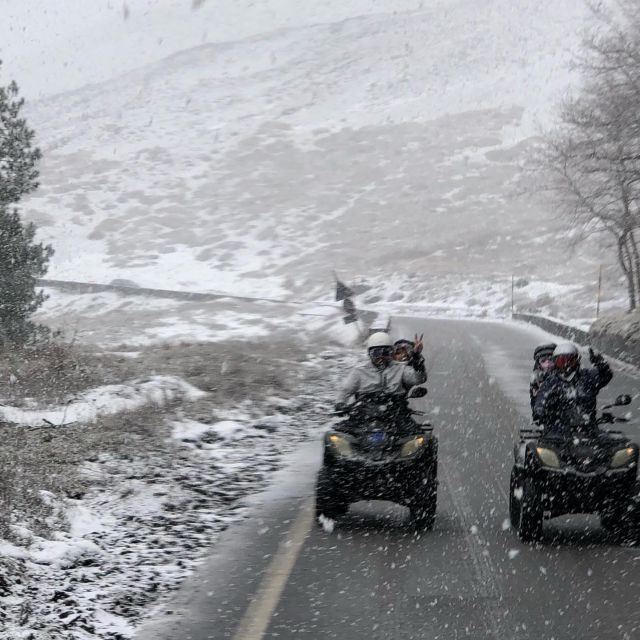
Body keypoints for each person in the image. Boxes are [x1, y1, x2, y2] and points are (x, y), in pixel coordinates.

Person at [533, 342, 613, 434]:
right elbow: (541, 399)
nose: (566, 365)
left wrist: (601, 364)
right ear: (555, 363)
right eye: (561, 361)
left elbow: (606, 376)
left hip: (589, 431)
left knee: (626, 447)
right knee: (537, 448)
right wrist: (540, 411)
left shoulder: (587, 377)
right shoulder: (550, 382)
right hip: (557, 433)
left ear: (577, 360)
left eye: (570, 361)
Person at [336, 332, 427, 410]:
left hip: (396, 415)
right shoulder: (359, 371)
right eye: (376, 353)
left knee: (417, 430)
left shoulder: (401, 369)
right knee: (340, 429)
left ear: (392, 353)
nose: (381, 356)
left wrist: (417, 359)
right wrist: (340, 404)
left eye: (386, 352)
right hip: (363, 415)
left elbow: (418, 379)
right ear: (369, 354)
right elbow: (345, 390)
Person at [529, 343, 556, 417]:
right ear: (538, 363)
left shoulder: (563, 372)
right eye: (543, 361)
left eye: (550, 359)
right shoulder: (536, 377)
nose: (547, 364)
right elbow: (534, 398)